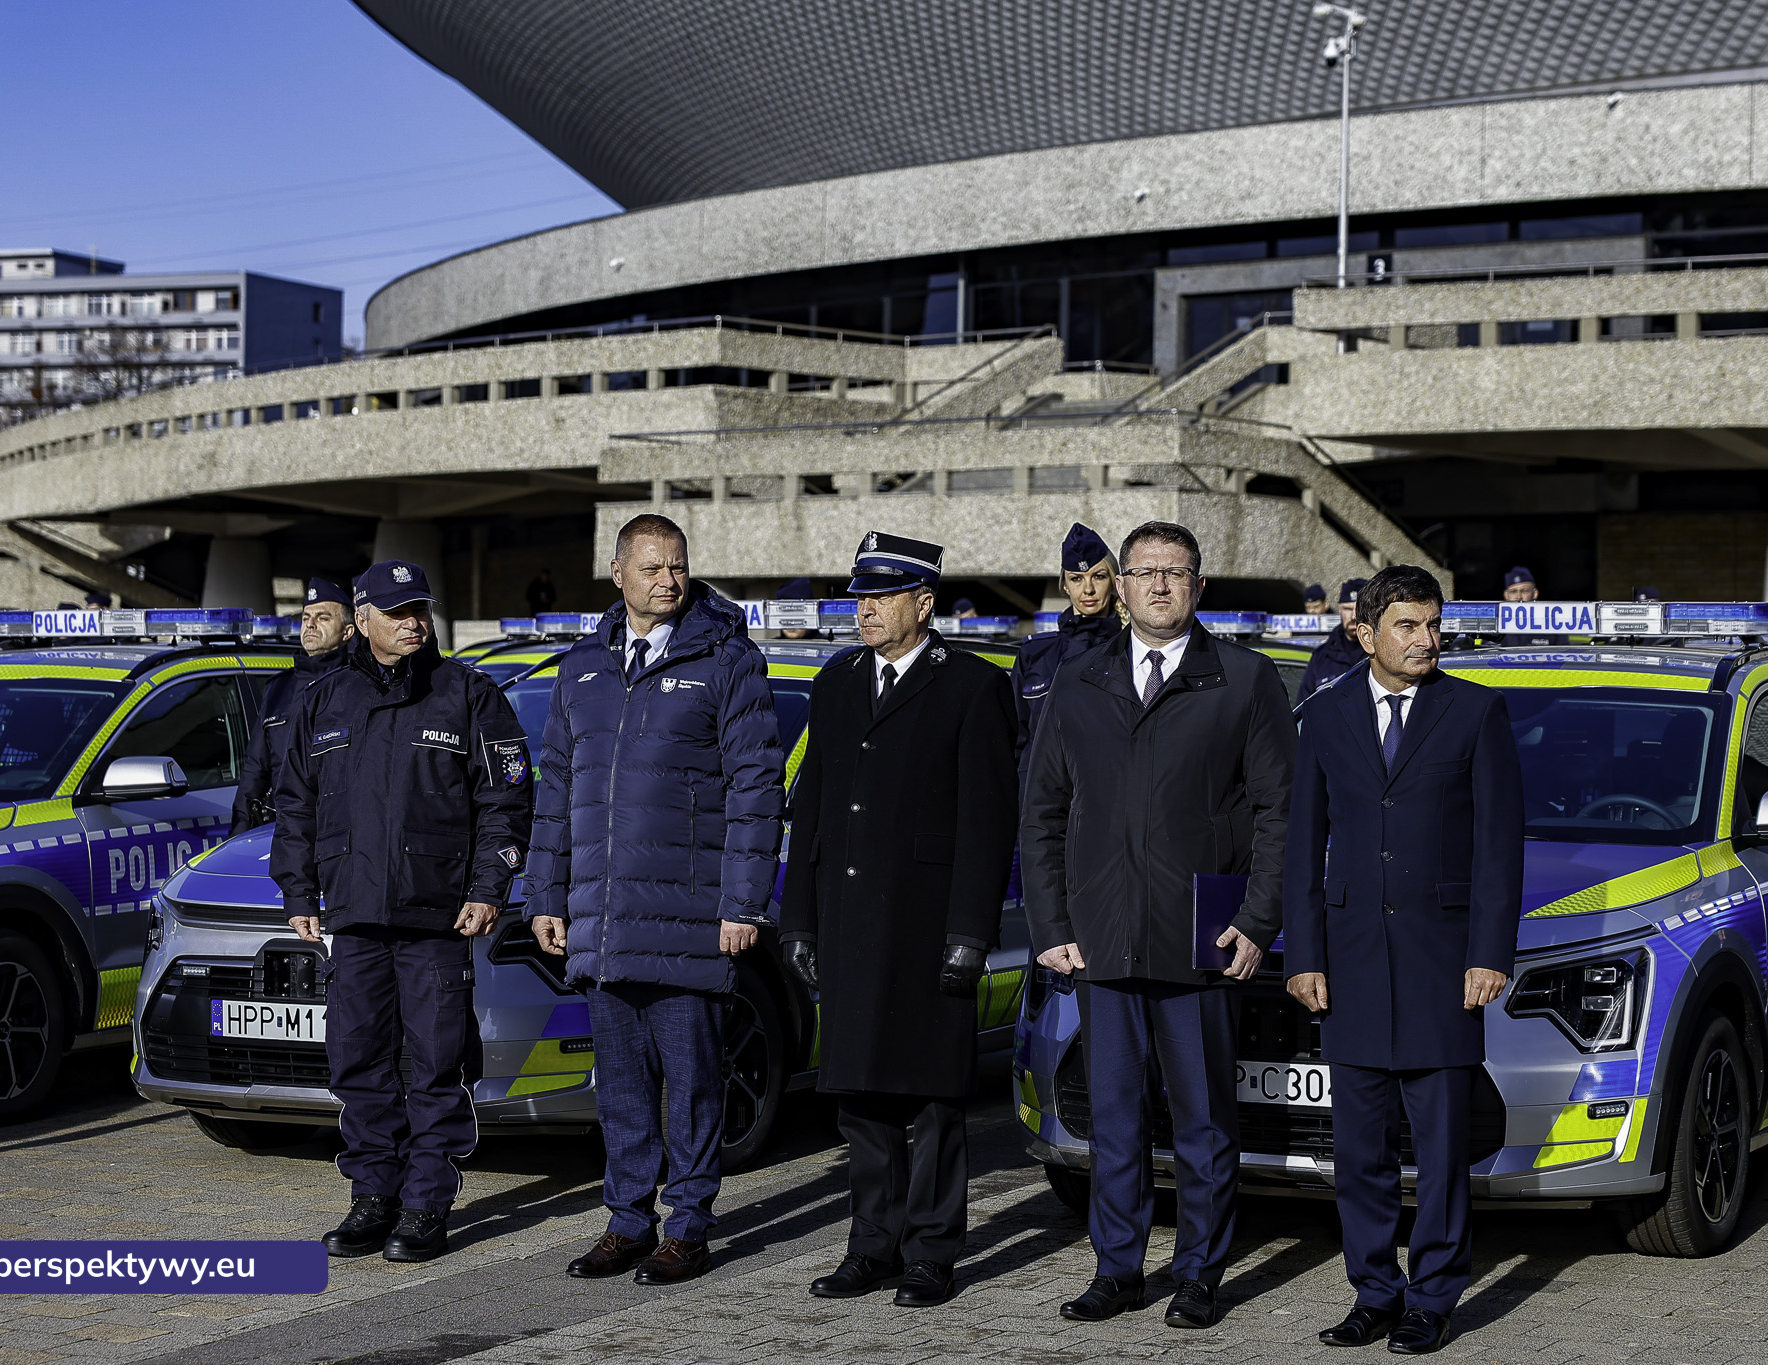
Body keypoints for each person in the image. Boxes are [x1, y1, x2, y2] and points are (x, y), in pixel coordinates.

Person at [1023, 520, 1297, 1330]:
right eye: (1145, 573)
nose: (1160, 587)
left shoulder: (1244, 681)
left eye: (1176, 573)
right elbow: (1042, 810)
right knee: (1113, 1118)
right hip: (1103, 937)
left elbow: (1281, 813)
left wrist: (1256, 919)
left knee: (1205, 1117)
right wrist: (1049, 919)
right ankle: (1118, 1268)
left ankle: (1200, 1272)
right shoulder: (1080, 678)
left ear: (1200, 586)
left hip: (1201, 938)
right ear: (1123, 583)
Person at [524, 512, 784, 1287]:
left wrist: (744, 903)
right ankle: (628, 1220)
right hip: (603, 922)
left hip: (690, 918)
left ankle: (691, 1226)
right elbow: (557, 794)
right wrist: (547, 892)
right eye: (651, 568)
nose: (668, 580)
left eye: (678, 566)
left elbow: (755, 785)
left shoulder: (727, 659)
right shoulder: (582, 670)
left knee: (694, 1082)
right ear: (617, 573)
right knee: (626, 1087)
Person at [1283, 565, 1524, 1355]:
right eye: (1408, 626)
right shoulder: (1322, 715)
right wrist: (1303, 953)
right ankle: (1374, 1292)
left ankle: (1434, 1297)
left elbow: (1498, 845)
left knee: (1443, 1148)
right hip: (1348, 963)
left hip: (1443, 961)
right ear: (1364, 632)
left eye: (1432, 624)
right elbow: (1300, 850)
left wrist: (1489, 952)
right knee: (1358, 1152)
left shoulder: (1475, 711)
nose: (1426, 640)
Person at [779, 531, 1018, 1309]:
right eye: (860, 596)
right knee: (859, 1100)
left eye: (881, 596)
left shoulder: (971, 686)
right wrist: (800, 921)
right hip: (849, 921)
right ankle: (870, 1244)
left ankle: (932, 1253)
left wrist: (970, 935)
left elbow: (988, 823)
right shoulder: (839, 680)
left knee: (930, 1102)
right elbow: (812, 805)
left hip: (925, 928)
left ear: (924, 601)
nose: (866, 609)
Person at [271, 560, 533, 1264]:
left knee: (433, 1065)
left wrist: (487, 887)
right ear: (363, 621)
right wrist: (298, 891)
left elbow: (507, 802)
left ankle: (424, 1204)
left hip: (434, 918)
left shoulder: (469, 694)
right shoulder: (325, 699)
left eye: (420, 607)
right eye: (398, 611)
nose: (415, 620)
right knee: (358, 1062)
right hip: (353, 916)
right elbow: (293, 803)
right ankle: (372, 1195)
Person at [231, 578, 356, 830]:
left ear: (347, 632)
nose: (310, 624)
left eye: (323, 618)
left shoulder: (359, 684)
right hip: (286, 831)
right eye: (306, 617)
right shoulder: (279, 688)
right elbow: (255, 770)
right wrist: (238, 834)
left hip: (343, 831)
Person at [1009, 522, 1123, 761]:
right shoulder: (1035, 653)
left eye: (1098, 577)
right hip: (1040, 792)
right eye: (1077, 579)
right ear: (1065, 585)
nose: (1088, 589)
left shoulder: (1132, 650)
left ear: (1113, 582)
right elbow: (1015, 739)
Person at [1296, 578, 1368, 704]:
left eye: (1359, 608)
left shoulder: (1381, 653)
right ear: (1339, 609)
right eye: (1347, 609)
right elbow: (1304, 707)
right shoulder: (1321, 657)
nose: (1354, 616)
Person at [777, 575, 818, 640]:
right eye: (785, 615)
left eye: (797, 615)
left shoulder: (827, 646)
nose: (790, 622)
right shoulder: (770, 647)